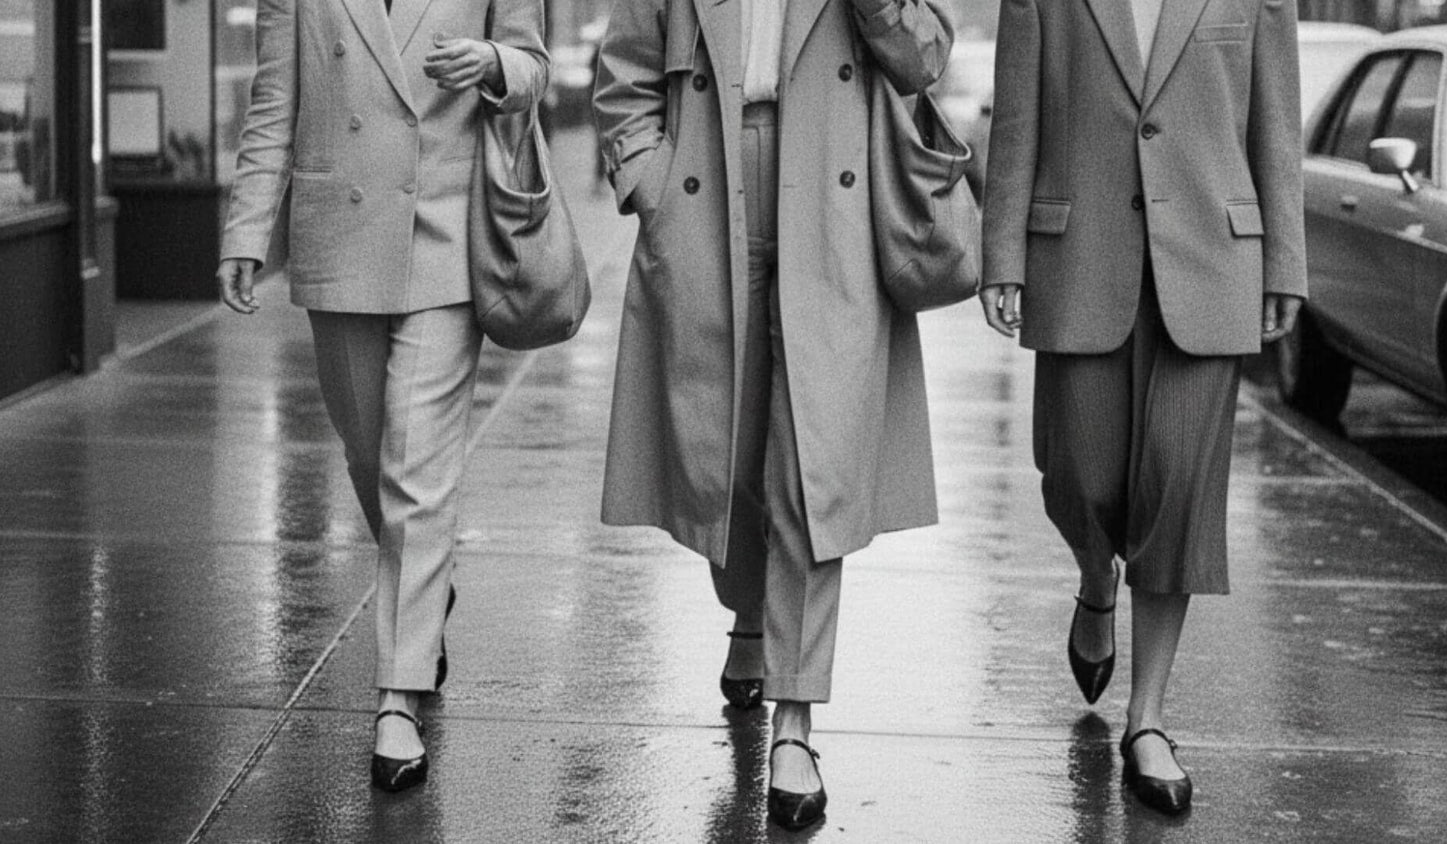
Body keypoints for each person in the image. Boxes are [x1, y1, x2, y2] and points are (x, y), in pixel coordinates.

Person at [593, 0, 950, 829]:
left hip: (835, 198)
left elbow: (926, 58)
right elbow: (624, 72)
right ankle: (751, 614)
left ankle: (795, 721)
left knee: (808, 465)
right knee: (726, 455)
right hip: (704, 185)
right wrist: (649, 182)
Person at [980, 0, 1305, 815]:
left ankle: (1148, 719)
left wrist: (1286, 265)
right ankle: (1096, 579)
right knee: (1080, 480)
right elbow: (1017, 118)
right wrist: (1002, 253)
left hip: (1213, 260)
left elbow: (1276, 123)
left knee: (1177, 489)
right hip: (1078, 256)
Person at [215, 0, 547, 792]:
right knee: (369, 455)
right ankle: (425, 591)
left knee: (416, 468)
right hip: (339, 230)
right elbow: (274, 101)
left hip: (449, 234)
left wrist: (494, 64)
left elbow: (532, 65)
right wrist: (247, 231)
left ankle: (398, 697)